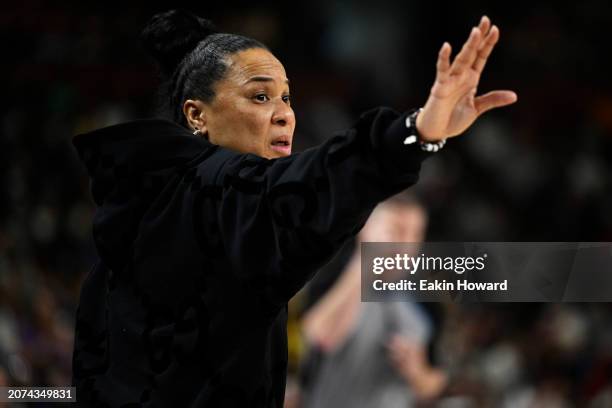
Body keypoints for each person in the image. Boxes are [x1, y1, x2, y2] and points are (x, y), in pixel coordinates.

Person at [70, 9, 516, 407]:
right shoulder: (220, 192)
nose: (286, 114)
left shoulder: (144, 208)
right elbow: (311, 184)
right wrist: (417, 132)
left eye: (287, 97)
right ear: (196, 115)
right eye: (260, 97)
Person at [299, 196, 446, 408]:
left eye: (415, 234)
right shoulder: (334, 272)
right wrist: (365, 260)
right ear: (368, 229)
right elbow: (319, 338)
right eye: (396, 231)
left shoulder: (426, 300)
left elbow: (435, 384)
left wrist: (417, 372)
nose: (406, 245)